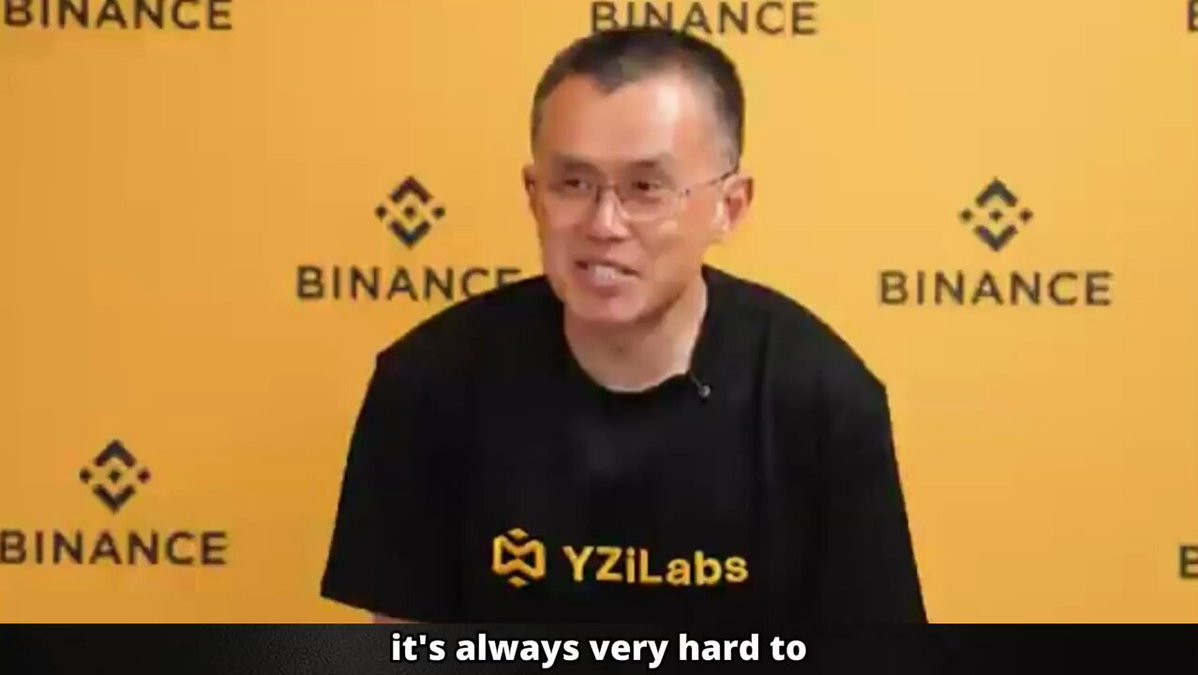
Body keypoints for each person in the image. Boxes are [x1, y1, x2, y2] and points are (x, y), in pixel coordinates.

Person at [319, 26, 926, 623]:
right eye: (574, 184)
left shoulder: (819, 397)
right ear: (534, 195)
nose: (604, 224)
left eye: (646, 188)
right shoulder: (429, 382)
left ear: (729, 206)